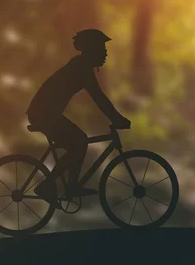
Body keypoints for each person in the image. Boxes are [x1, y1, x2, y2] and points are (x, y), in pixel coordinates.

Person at [26, 29, 131, 208]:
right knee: (79, 141)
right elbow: (100, 99)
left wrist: (116, 117)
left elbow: (100, 99)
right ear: (92, 49)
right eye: (102, 48)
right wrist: (117, 119)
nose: (105, 53)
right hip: (43, 114)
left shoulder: (80, 65)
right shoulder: (81, 68)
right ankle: (48, 186)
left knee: (79, 142)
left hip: (44, 112)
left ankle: (69, 186)